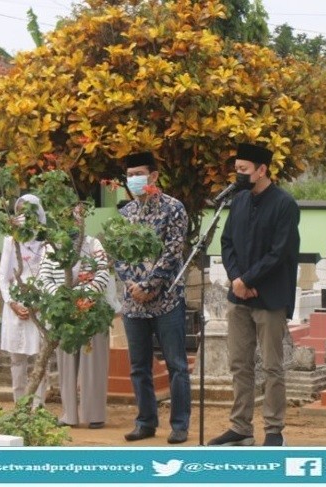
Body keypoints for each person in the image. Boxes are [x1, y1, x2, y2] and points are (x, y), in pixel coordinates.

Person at [210, 142, 300, 447]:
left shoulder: (285, 204)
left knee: (273, 366)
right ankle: (241, 426)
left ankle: (274, 430)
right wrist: (237, 279)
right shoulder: (239, 202)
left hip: (269, 297)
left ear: (262, 170)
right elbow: (227, 244)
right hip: (239, 297)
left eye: (244, 170)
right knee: (239, 364)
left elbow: (279, 252)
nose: (238, 176)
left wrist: (248, 279)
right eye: (236, 170)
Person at [114, 151, 191, 444]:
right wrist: (134, 285)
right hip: (134, 303)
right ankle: (145, 421)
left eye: (138, 174)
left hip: (167, 299)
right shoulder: (125, 214)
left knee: (176, 364)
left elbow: (173, 251)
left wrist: (150, 285)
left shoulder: (174, 209)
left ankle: (180, 424)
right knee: (139, 366)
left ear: (154, 176)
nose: (133, 180)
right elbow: (118, 254)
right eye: (130, 175)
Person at [38, 208, 115, 430]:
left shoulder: (94, 245)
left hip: (92, 311)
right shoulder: (50, 247)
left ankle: (95, 415)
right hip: (63, 312)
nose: (72, 222)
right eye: (66, 218)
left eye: (75, 217)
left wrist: (84, 297)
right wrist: (65, 299)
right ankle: (69, 414)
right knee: (66, 364)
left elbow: (102, 272)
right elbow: (44, 278)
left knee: (95, 364)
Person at [0, 195, 50, 407]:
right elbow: (3, 276)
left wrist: (37, 304)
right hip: (15, 306)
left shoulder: (47, 243)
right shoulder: (11, 241)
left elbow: (48, 276)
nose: (25, 216)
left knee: (41, 360)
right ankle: (20, 405)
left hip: (39, 306)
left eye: (29, 211)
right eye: (20, 211)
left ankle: (39, 408)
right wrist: (12, 303)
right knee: (16, 361)